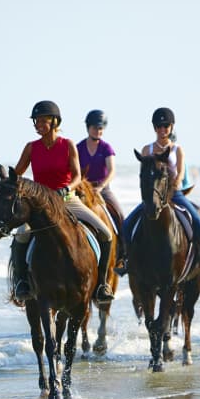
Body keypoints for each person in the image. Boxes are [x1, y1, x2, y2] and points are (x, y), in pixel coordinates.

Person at [11, 100, 115, 303]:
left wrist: (67, 188)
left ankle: (101, 284)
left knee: (105, 233)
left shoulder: (67, 145)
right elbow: (17, 174)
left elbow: (77, 176)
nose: (38, 124)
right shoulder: (31, 148)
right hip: (40, 206)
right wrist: (7, 179)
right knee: (21, 235)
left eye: (43, 120)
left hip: (67, 200)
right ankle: (21, 282)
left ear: (55, 121)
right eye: (36, 121)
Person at [123, 107, 200, 272]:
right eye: (159, 126)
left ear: (171, 127)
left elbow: (181, 173)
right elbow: (144, 175)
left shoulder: (177, 150)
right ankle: (126, 259)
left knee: (197, 221)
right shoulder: (146, 150)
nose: (163, 130)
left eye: (166, 126)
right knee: (127, 224)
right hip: (152, 197)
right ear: (154, 128)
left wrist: (174, 184)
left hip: (173, 195)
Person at [76, 109, 127, 275]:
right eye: (95, 127)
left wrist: (101, 186)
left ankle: (124, 256)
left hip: (102, 190)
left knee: (120, 216)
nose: (98, 131)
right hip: (82, 189)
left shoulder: (106, 148)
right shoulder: (78, 148)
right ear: (88, 127)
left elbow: (112, 170)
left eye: (101, 128)